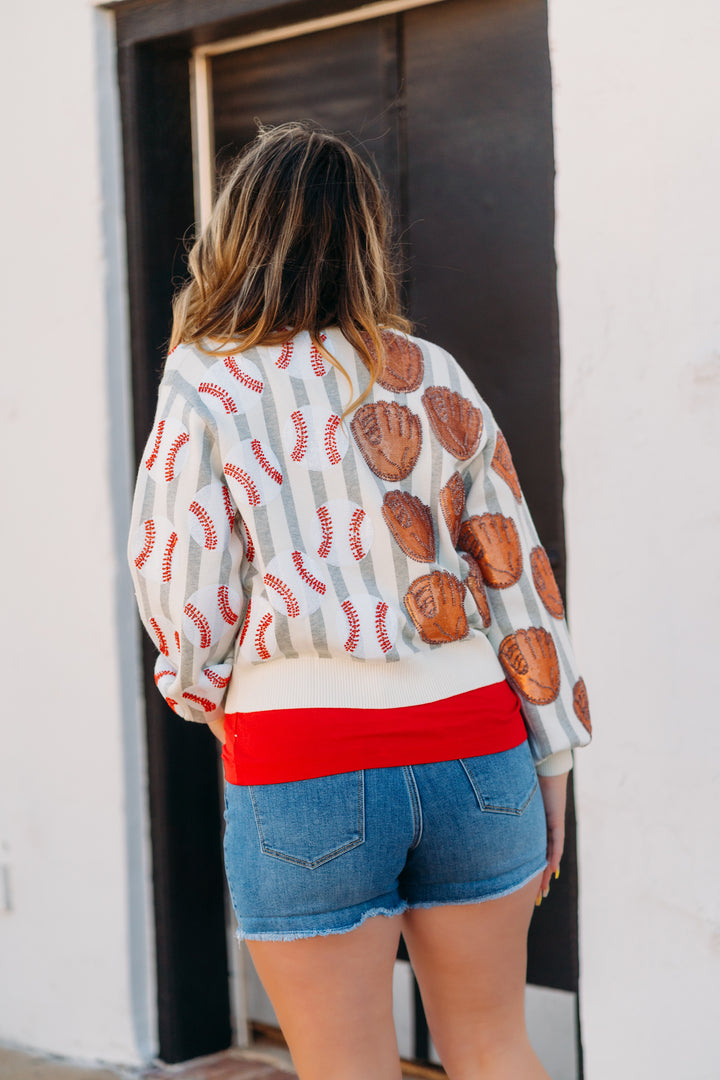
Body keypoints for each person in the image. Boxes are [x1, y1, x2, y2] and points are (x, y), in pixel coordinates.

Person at [128, 121, 592, 1080]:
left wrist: (216, 703)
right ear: (365, 239)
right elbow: (516, 571)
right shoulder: (433, 371)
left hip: (303, 758)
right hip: (478, 747)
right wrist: (552, 758)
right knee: (496, 1048)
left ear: (237, 233)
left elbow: (179, 583)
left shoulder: (204, 379)